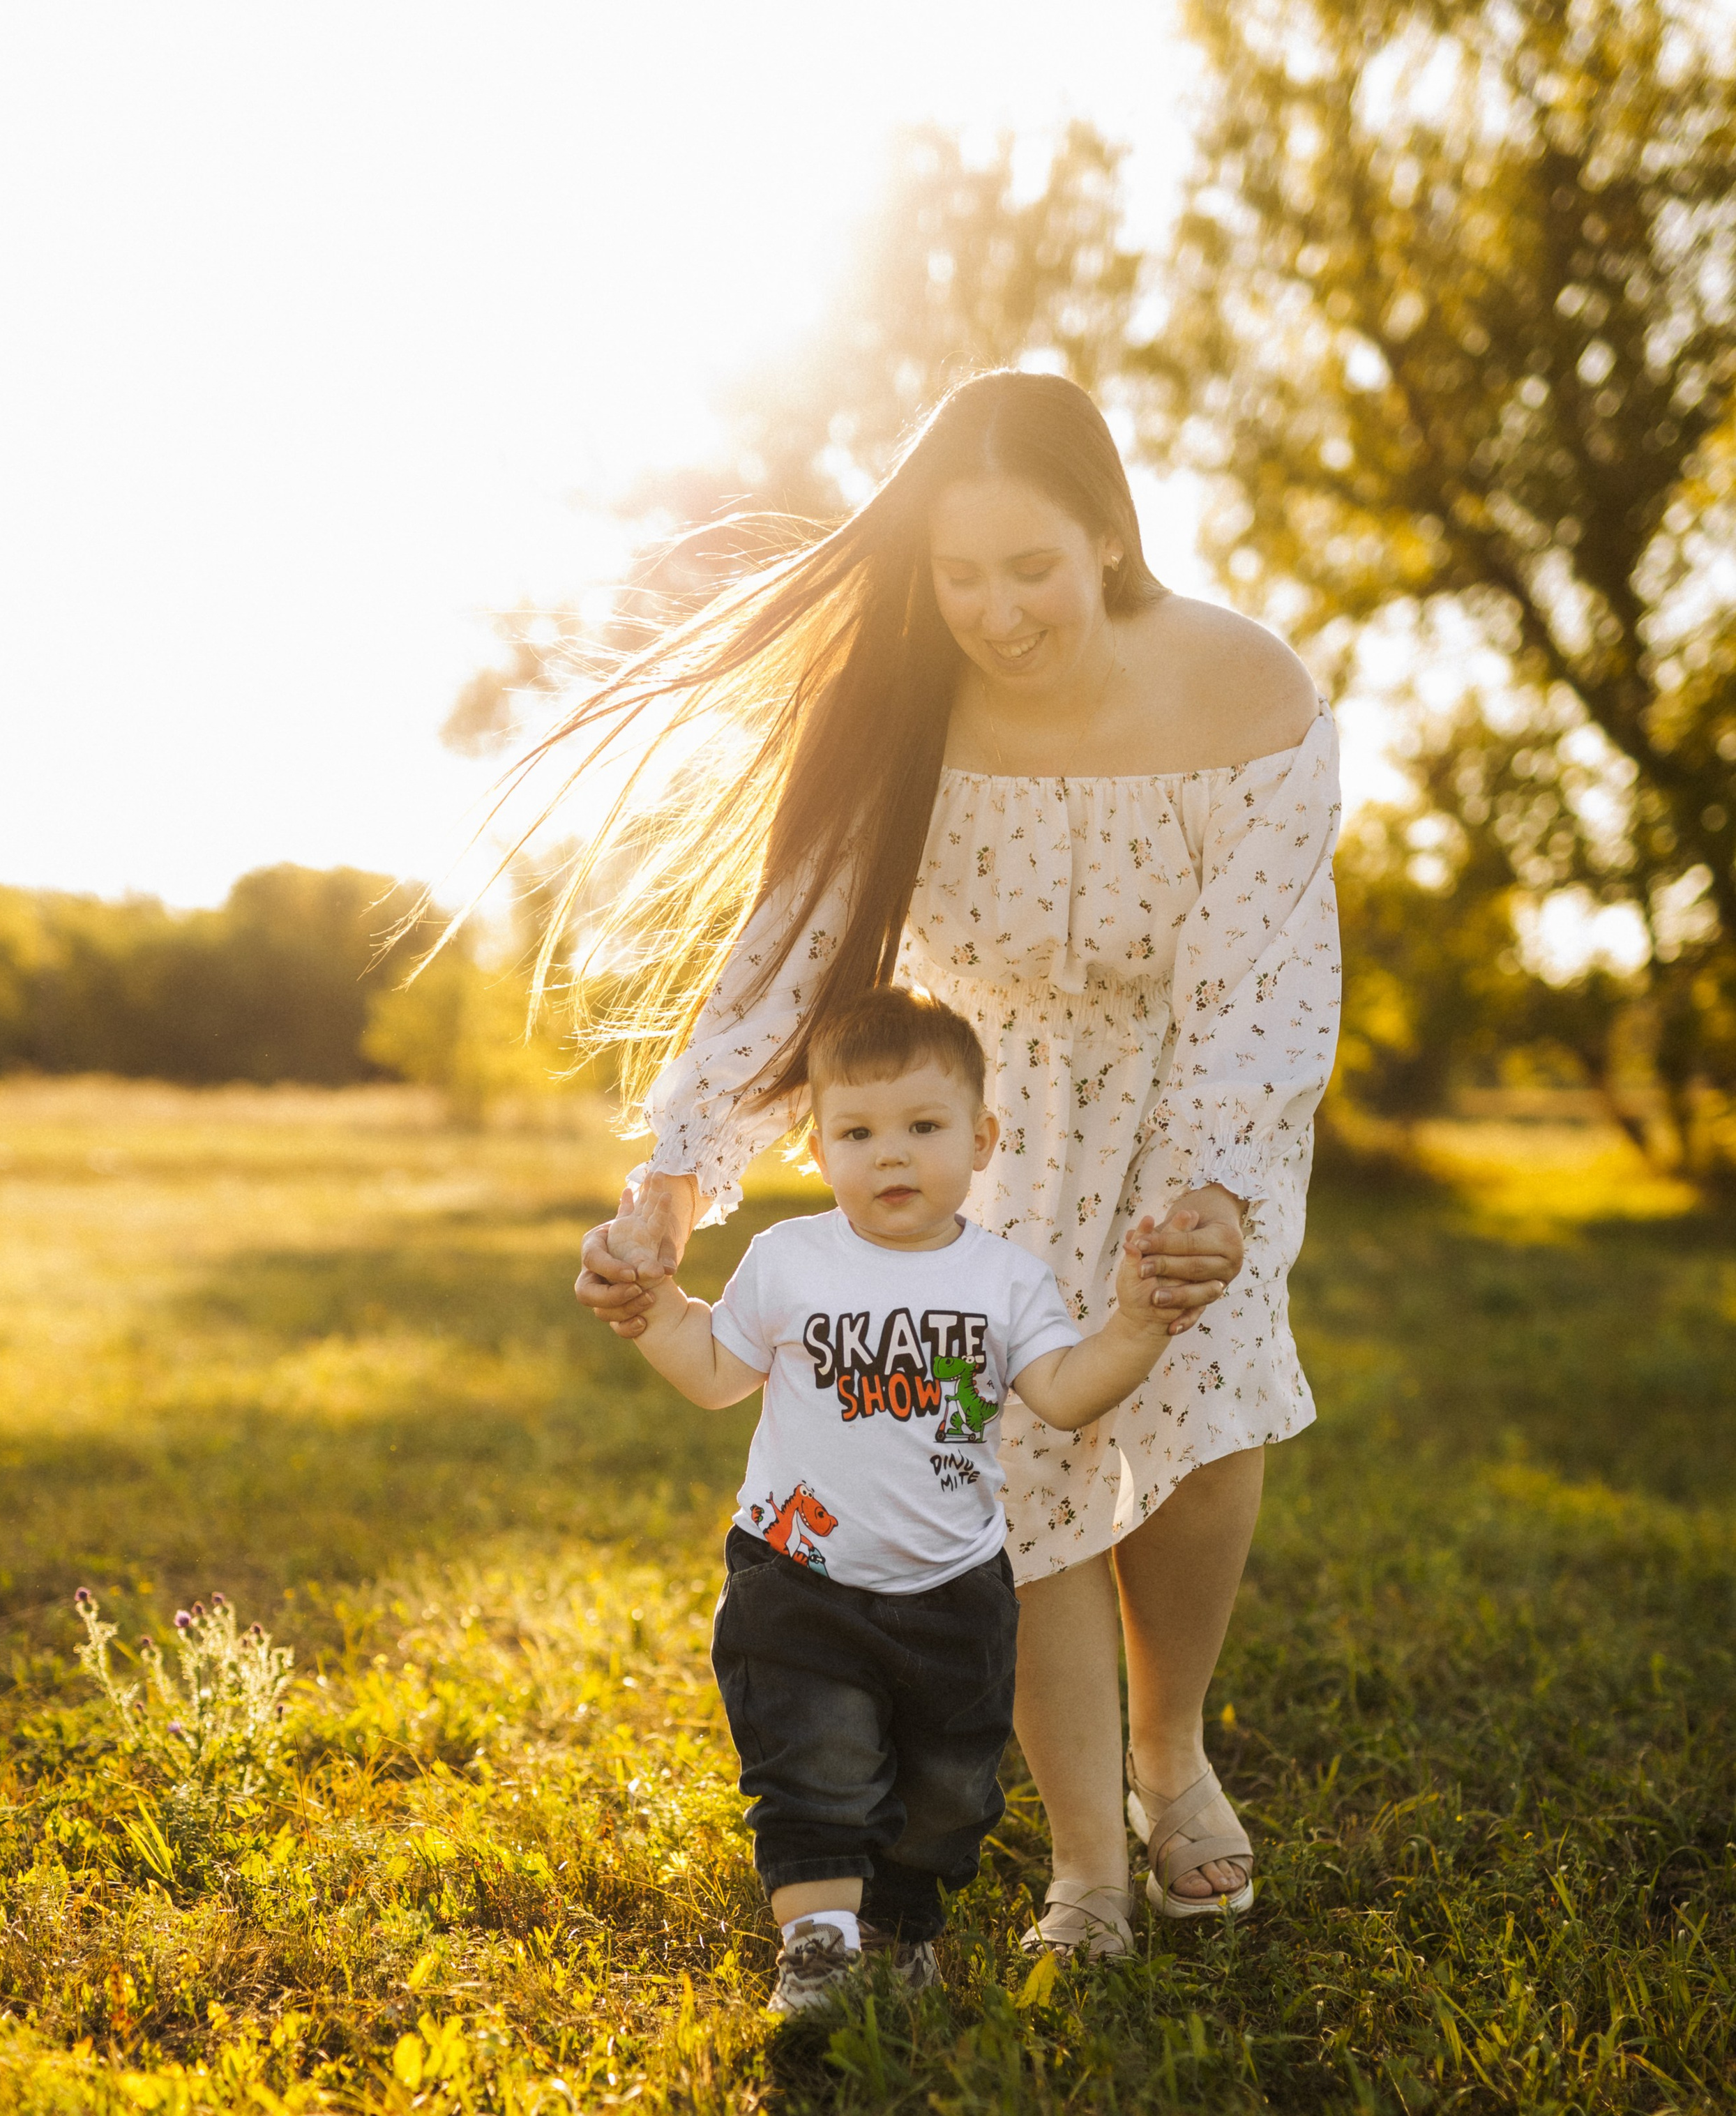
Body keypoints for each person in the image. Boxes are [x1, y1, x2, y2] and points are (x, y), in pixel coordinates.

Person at [554, 369, 1340, 1956]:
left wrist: (1206, 1193)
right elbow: (789, 956)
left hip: (1198, 1095)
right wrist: (675, 1178)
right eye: (957, 573)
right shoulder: (902, 704)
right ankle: (1082, 1873)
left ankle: (1169, 1749)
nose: (993, 611)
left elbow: (1259, 981)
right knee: (1028, 1467)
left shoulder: (1249, 691)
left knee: (1199, 1399)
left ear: (1107, 535)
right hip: (993, 1120)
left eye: (1029, 568)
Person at [625, 984, 1180, 2014]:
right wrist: (655, 1310)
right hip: (801, 1579)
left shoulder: (1007, 1281)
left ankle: (900, 1931)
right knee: (814, 1763)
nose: (891, 1155)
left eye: (922, 1128)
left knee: (947, 1794)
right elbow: (712, 1373)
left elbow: (1061, 1397)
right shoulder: (789, 1260)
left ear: (982, 1139)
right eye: (858, 1132)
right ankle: (822, 1956)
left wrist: (1137, 1328)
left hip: (954, 1590)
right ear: (821, 1150)